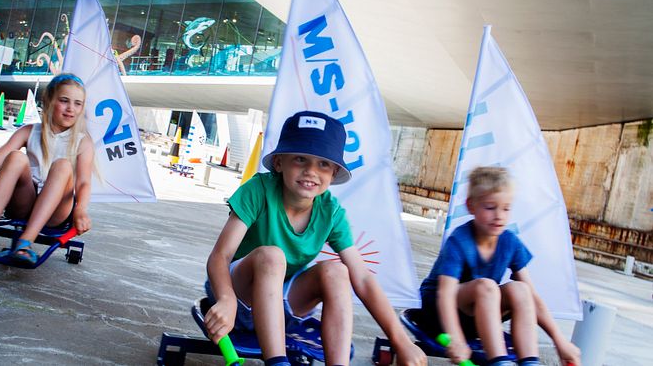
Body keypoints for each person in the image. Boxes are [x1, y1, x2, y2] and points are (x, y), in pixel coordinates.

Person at [204, 110, 427, 366]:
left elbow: (363, 279)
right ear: (279, 163)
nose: (311, 171)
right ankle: (277, 362)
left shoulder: (330, 211)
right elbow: (220, 256)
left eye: (323, 164)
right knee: (272, 256)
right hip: (237, 299)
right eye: (300, 159)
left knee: (338, 271)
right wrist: (226, 298)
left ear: (333, 173)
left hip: (286, 306)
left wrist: (401, 340)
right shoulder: (258, 190)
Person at [418, 167, 581, 366]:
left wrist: (559, 340)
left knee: (521, 289)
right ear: (471, 206)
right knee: (486, 286)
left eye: (506, 208)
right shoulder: (459, 240)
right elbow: (445, 295)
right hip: (439, 313)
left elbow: (533, 298)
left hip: (478, 315)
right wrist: (456, 339)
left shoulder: (510, 242)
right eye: (490, 207)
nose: (499, 216)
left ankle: (530, 361)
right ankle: (498, 362)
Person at [0, 73, 94, 267]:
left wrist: (81, 209)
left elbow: (83, 182)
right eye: (64, 101)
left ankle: (25, 244)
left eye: (77, 104)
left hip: (56, 212)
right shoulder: (29, 131)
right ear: (49, 100)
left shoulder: (83, 141)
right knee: (14, 157)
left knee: (63, 165)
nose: (70, 109)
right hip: (24, 202)